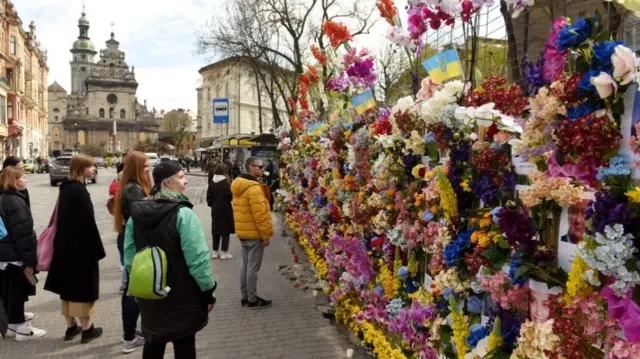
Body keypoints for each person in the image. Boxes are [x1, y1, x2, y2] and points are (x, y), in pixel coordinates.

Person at [124, 162, 216, 359]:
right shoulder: (184, 214)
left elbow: (130, 259)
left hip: (150, 294)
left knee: (153, 342)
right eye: (182, 177)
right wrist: (208, 291)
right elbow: (198, 260)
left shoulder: (135, 216)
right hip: (183, 294)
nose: (186, 181)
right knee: (184, 344)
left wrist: (141, 286)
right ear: (167, 182)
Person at [44, 154, 105, 344]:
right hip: (80, 249)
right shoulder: (78, 191)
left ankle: (71, 328)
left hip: (64, 247)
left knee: (67, 290)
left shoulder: (66, 188)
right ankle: (87, 330)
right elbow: (87, 224)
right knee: (81, 290)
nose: (94, 169)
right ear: (81, 168)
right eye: (90, 166)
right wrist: (97, 250)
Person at [112, 151, 151, 353]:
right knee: (132, 293)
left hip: (132, 243)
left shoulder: (129, 187)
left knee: (130, 291)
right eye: (145, 166)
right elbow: (142, 219)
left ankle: (131, 332)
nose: (148, 168)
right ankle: (129, 337)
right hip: (136, 246)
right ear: (136, 167)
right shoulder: (134, 189)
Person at [0, 167, 44, 341]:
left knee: (9, 291)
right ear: (14, 180)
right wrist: (29, 260)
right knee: (18, 290)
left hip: (4, 255)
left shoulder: (3, 198)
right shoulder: (15, 202)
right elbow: (23, 234)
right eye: (23, 177)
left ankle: (11, 325)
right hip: (16, 255)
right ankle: (22, 330)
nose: (26, 180)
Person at [231, 157, 273, 309]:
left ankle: (245, 296)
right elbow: (259, 215)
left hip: (244, 232)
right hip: (255, 234)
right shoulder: (254, 188)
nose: (263, 169)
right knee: (252, 268)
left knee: (245, 265)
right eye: (260, 167)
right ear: (251, 167)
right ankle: (252, 299)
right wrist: (265, 235)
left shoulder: (239, 184)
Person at [207, 164, 235, 260]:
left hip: (215, 209)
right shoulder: (226, 182)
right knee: (225, 231)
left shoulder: (212, 182)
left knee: (215, 230)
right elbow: (230, 196)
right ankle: (224, 252)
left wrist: (213, 204)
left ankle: (215, 251)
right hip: (225, 208)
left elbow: (209, 198)